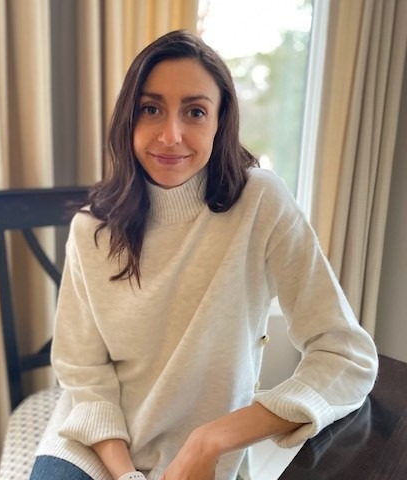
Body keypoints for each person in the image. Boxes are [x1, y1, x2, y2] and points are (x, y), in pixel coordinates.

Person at [30, 29, 378, 480]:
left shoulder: (260, 203)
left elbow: (347, 356)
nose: (171, 135)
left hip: (200, 459)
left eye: (195, 112)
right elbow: (84, 374)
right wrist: (128, 476)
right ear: (128, 121)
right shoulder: (91, 230)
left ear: (220, 122)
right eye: (151, 109)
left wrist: (210, 439)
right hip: (95, 447)